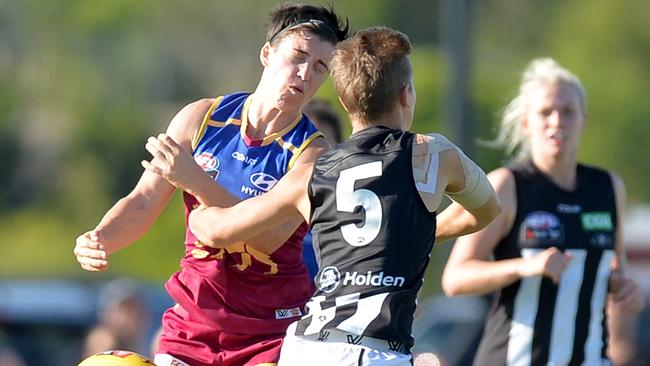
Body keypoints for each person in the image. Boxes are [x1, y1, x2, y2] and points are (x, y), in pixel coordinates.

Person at [185, 26, 501, 365]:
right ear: (406, 93)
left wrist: (191, 184)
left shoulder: (310, 172)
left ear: (344, 101)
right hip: (375, 351)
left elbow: (216, 231)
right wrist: (408, 235)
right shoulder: (432, 155)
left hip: (305, 348)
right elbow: (487, 210)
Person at [73, 3, 349, 366]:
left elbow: (267, 238)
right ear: (267, 53)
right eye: (298, 56)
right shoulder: (201, 119)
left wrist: (196, 180)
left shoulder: (312, 154)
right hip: (192, 323)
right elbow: (143, 200)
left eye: (319, 68)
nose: (305, 74)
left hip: (268, 334)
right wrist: (101, 237)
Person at [440, 58, 645, 366]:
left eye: (567, 112)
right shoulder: (508, 186)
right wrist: (526, 267)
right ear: (526, 123)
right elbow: (455, 279)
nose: (557, 121)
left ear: (583, 120)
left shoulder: (607, 187)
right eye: (545, 112)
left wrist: (627, 289)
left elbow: (615, 272)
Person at [301, 98, 344, 278]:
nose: (317, 154)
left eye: (324, 145)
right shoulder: (267, 207)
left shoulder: (346, 216)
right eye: (308, 145)